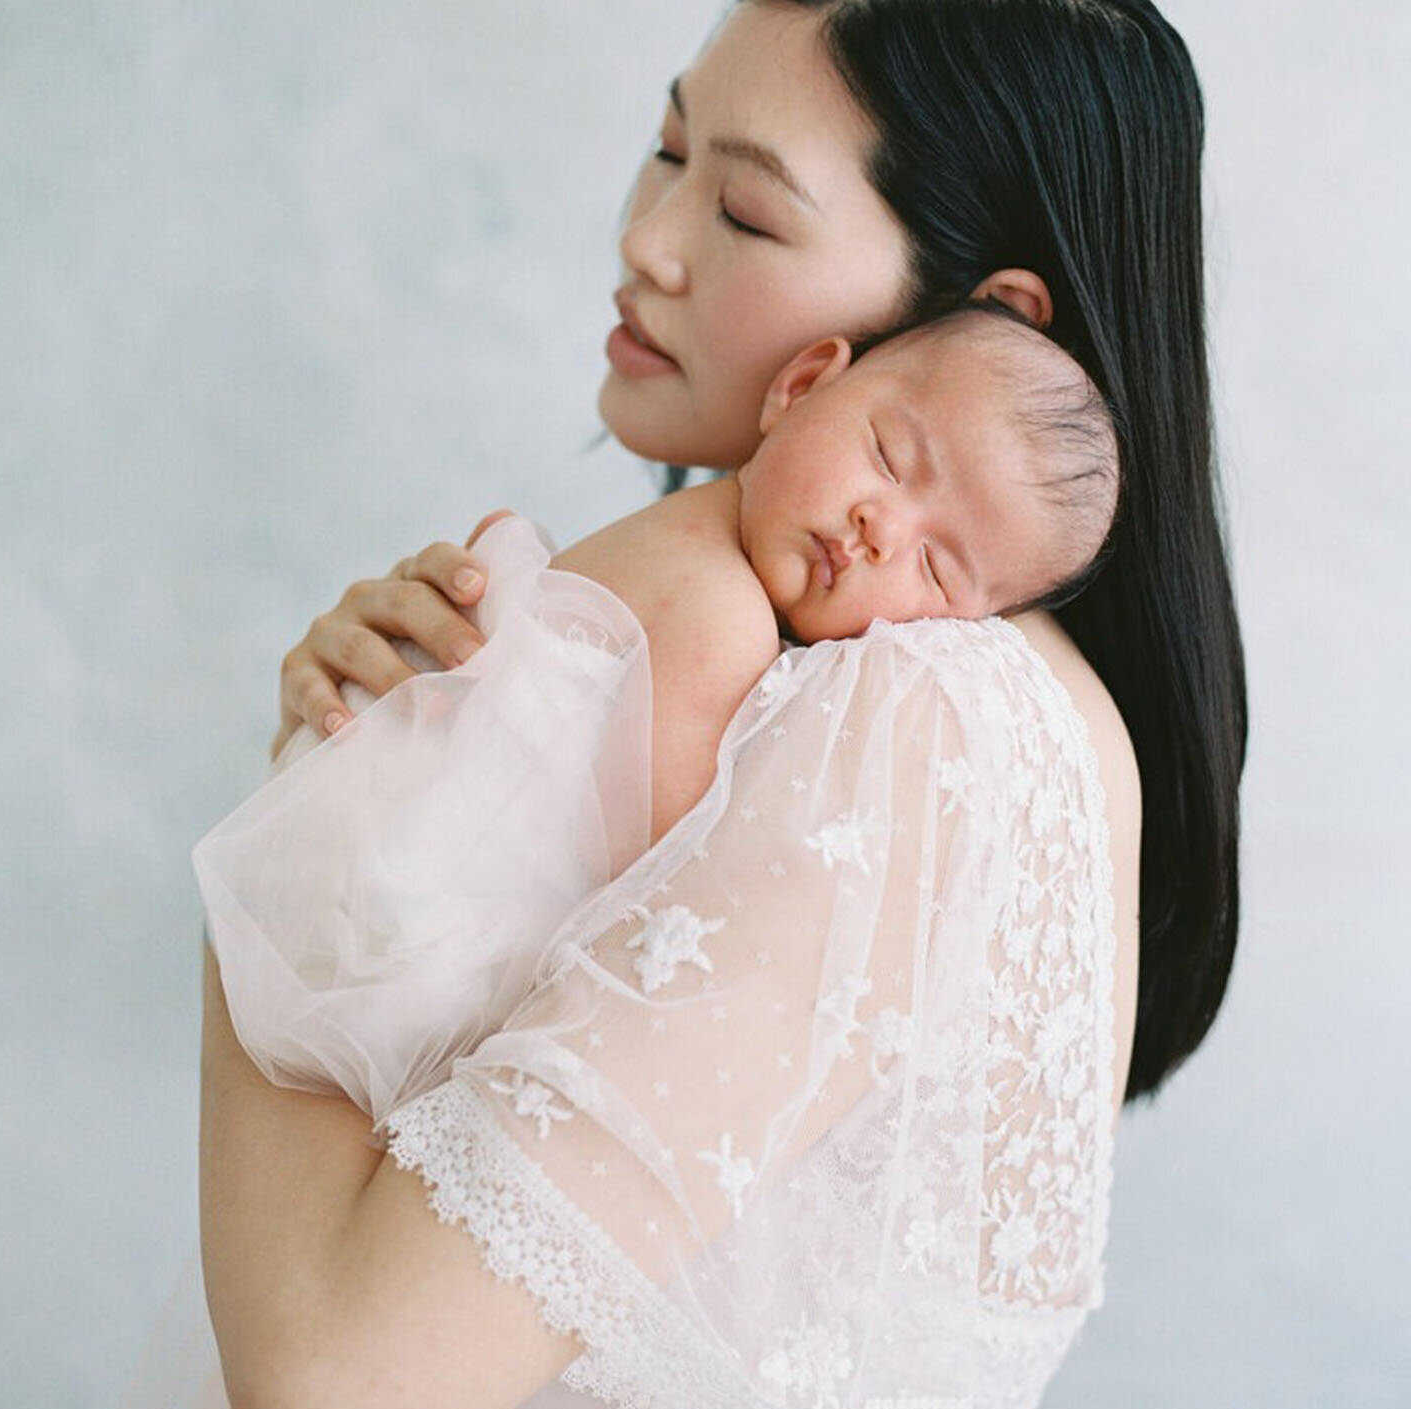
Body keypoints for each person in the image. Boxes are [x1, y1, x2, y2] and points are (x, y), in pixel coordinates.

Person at [27, 0, 1244, 1409]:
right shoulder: (893, 682)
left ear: (981, 316)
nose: (646, 243)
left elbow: (325, 1391)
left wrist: (322, 832)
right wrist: (414, 748)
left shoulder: (906, 733)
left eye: (743, 207)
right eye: (663, 151)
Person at [198, 309, 1120, 1127]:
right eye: (888, 455)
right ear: (801, 386)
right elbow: (664, 882)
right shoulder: (718, 612)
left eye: (938, 569)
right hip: (402, 923)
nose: (883, 529)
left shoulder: (694, 544)